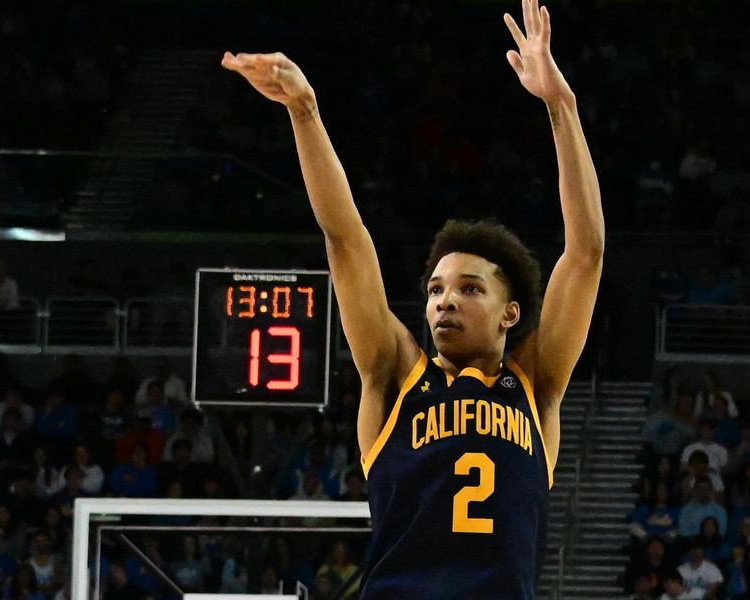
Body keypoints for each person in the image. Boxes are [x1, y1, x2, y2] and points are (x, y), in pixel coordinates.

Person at [221, 0, 604, 596]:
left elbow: (585, 253)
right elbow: (345, 239)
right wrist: (305, 112)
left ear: (511, 313)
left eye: (469, 288)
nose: (444, 301)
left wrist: (562, 106)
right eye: (435, 290)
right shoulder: (394, 373)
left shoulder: (535, 381)